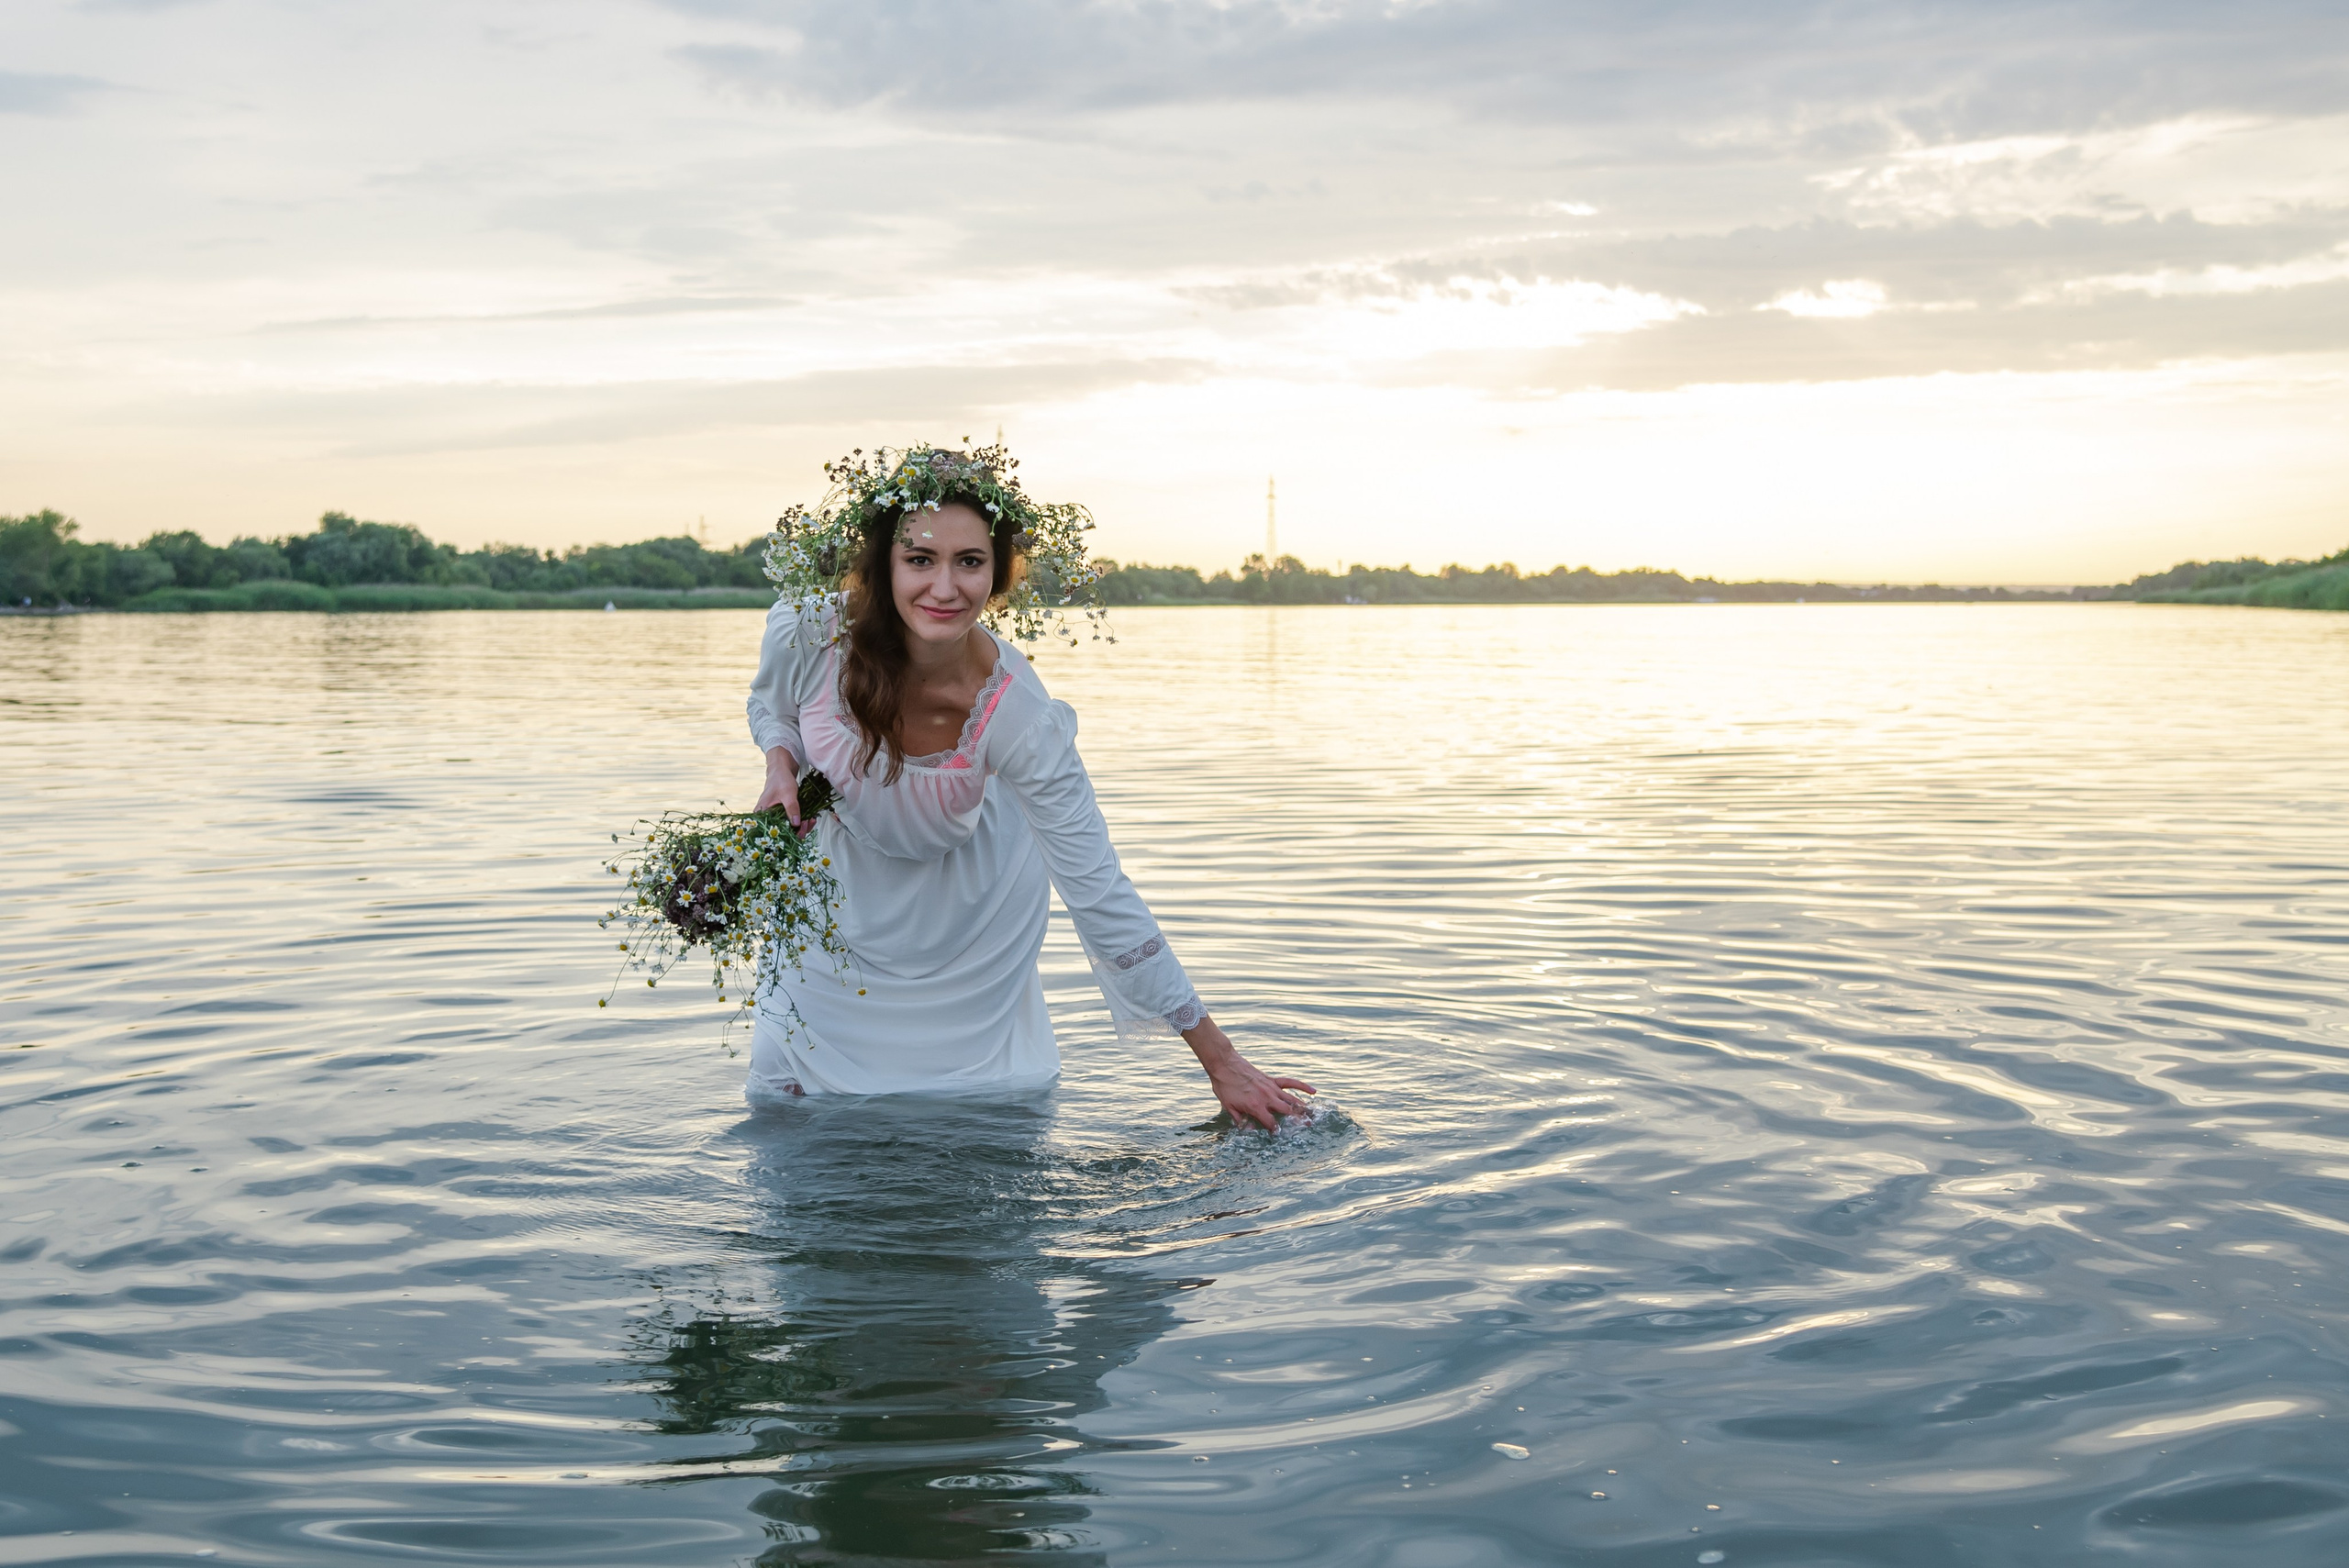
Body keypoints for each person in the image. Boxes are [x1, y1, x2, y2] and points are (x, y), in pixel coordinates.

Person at [742, 446, 1313, 1129]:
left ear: (999, 572)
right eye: (920, 559)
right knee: (785, 1100)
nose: (944, 588)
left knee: (977, 1118)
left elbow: (1098, 889)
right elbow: (772, 706)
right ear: (884, 563)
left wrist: (1222, 1060)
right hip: (838, 901)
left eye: (969, 561)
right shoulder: (808, 631)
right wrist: (780, 765)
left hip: (970, 918)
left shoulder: (1019, 714)